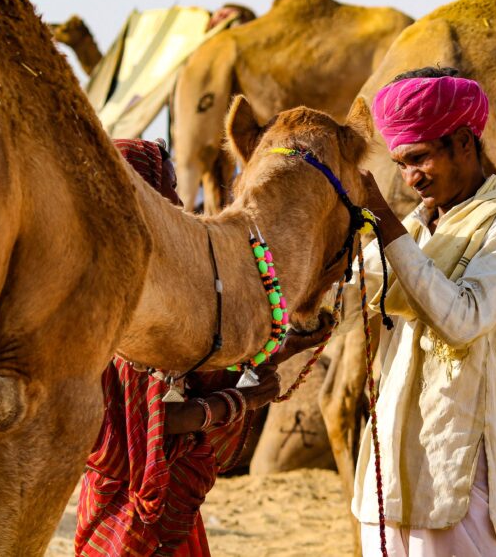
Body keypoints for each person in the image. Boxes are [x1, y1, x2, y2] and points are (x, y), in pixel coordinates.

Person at [351, 68, 496, 556]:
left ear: (463, 143)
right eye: (400, 164)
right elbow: (349, 298)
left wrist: (386, 225)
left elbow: (462, 319)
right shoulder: (417, 226)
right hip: (393, 462)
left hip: (464, 465)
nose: (410, 178)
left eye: (419, 159)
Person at [75, 139, 319, 557]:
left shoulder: (133, 278)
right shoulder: (134, 295)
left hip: (143, 488)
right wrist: (237, 402)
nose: (178, 201)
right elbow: (155, 423)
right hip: (136, 497)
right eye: (166, 188)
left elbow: (194, 368)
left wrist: (286, 347)